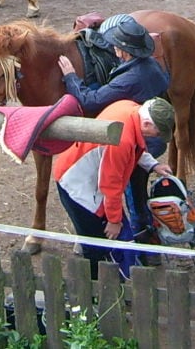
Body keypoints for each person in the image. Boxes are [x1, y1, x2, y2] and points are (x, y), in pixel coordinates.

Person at [58, 15, 170, 239]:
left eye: (116, 46)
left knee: (133, 192)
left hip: (143, 142)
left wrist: (71, 77)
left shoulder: (130, 80)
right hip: (150, 140)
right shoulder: (151, 66)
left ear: (123, 51)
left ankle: (144, 242)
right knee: (137, 191)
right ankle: (145, 240)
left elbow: (90, 100)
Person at [53, 97, 175, 278]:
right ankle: (95, 289)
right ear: (148, 124)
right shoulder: (122, 141)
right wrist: (114, 221)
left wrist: (153, 165)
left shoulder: (130, 108)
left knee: (115, 238)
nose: (156, 137)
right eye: (157, 133)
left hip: (86, 178)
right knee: (96, 244)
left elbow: (137, 146)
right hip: (77, 187)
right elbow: (111, 183)